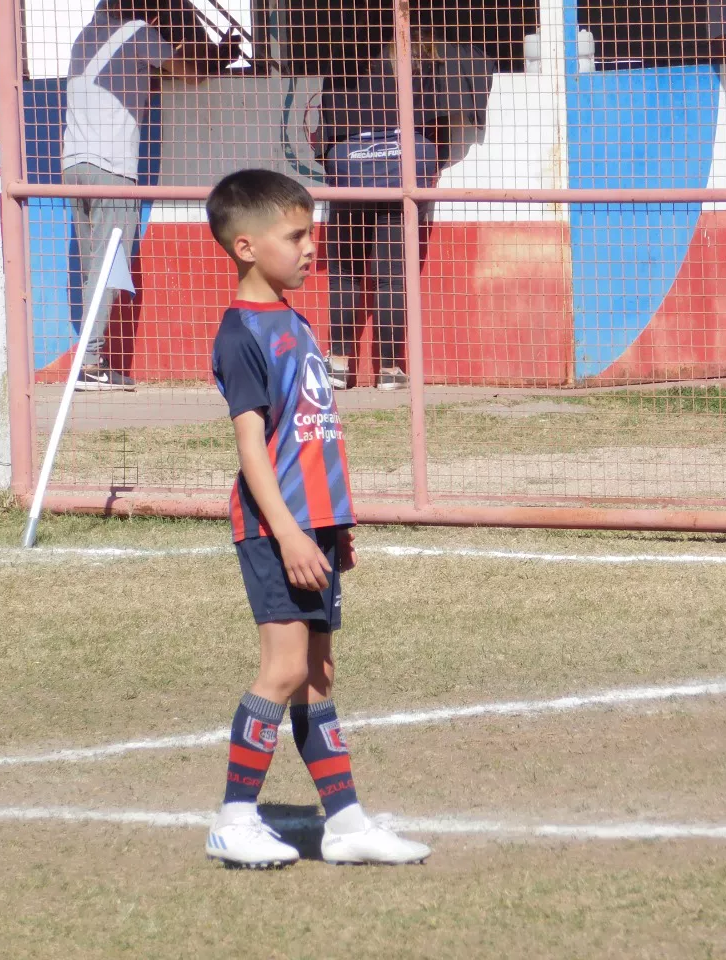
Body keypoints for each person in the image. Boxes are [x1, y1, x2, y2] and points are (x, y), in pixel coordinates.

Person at [203, 168, 431, 868]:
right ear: (246, 246)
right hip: (277, 530)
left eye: (310, 232)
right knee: (283, 668)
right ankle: (235, 817)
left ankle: (345, 823)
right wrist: (293, 531)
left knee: (318, 674)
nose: (310, 246)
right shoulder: (241, 333)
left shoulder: (296, 322)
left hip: (315, 527)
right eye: (294, 234)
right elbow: (253, 449)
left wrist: (333, 523)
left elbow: (312, 431)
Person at [62, 0, 239, 390]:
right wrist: (221, 56)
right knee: (109, 263)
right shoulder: (137, 32)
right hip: (112, 165)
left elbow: (144, 77)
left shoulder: (84, 38)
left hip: (73, 164)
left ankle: (91, 356)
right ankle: (90, 363)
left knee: (93, 261)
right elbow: (191, 73)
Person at [313, 37, 446, 391]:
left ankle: (339, 364)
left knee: (345, 272)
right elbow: (440, 126)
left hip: (350, 167)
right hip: (402, 165)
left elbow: (325, 129)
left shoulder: (342, 56)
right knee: (391, 276)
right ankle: (390, 370)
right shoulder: (424, 60)